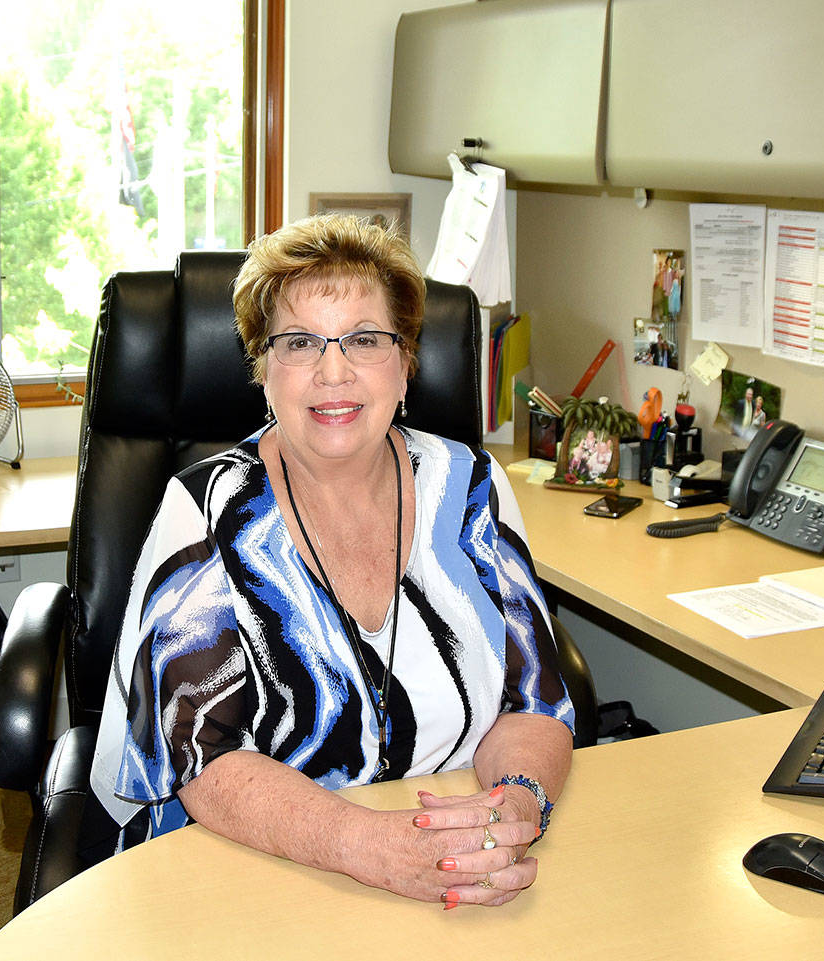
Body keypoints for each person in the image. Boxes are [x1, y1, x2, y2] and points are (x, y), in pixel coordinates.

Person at [89, 214, 575, 910]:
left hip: (455, 870)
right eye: (299, 342)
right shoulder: (208, 509)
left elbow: (534, 701)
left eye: (365, 339)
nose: (333, 371)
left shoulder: (471, 487)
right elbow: (203, 757)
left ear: (407, 364)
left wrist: (517, 805)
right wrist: (371, 847)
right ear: (261, 370)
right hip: (257, 870)